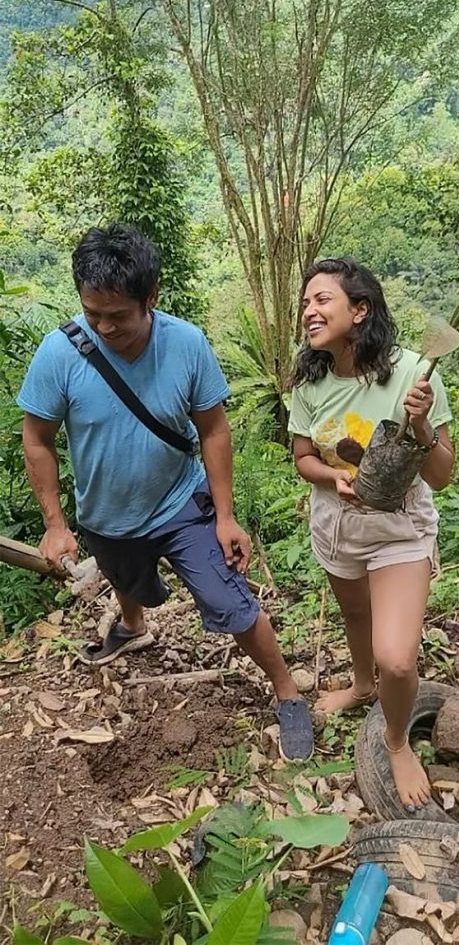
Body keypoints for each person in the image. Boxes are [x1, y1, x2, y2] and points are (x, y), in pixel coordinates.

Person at [17, 222, 314, 762]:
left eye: (119, 316)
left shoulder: (185, 344)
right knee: (125, 575)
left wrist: (225, 516)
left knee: (232, 602)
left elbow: (214, 429)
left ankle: (287, 692)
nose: (104, 328)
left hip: (181, 503)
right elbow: (37, 439)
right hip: (105, 514)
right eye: (92, 314)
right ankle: (133, 627)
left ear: (151, 298)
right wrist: (56, 522)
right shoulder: (60, 353)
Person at [288, 257, 455, 808]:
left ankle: (397, 738)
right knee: (355, 615)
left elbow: (443, 475)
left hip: (399, 526)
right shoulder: (310, 381)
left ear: (360, 311)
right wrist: (333, 475)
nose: (310, 311)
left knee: (398, 658)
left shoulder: (414, 374)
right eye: (307, 302)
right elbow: (303, 458)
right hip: (338, 525)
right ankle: (361, 686)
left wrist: (424, 424)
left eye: (322, 300)